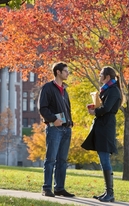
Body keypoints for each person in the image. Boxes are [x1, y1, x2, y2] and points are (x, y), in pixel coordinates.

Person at [81, 66, 122, 203]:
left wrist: (95, 111)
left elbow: (107, 108)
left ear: (107, 77)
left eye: (101, 75)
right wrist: (94, 106)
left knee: (105, 159)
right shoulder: (107, 90)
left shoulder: (113, 91)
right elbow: (103, 107)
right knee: (103, 159)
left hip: (106, 128)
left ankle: (110, 193)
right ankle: (107, 192)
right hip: (102, 126)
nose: (99, 77)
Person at [38, 62, 75, 198]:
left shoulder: (64, 90)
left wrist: (70, 122)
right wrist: (53, 119)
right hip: (54, 129)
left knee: (62, 160)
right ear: (58, 72)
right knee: (51, 159)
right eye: (66, 71)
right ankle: (47, 188)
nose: (68, 73)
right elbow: (43, 108)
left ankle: (59, 188)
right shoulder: (48, 88)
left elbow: (67, 109)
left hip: (66, 129)